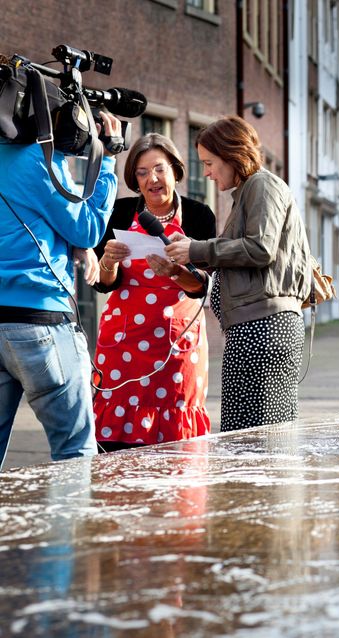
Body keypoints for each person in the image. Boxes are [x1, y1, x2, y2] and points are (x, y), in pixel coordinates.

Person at [164, 116, 313, 431]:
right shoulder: (250, 190)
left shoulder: (262, 184)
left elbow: (260, 248)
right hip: (256, 326)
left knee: (254, 438)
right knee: (253, 435)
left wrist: (197, 250)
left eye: (210, 163)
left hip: (263, 328)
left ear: (232, 154)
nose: (206, 172)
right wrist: (195, 250)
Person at [0, 112, 121, 467]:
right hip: (40, 319)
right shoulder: (37, 159)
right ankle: (66, 525)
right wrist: (108, 158)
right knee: (75, 452)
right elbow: (86, 229)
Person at [90, 134, 216, 451]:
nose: (152, 180)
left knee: (176, 449)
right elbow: (104, 283)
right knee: (115, 445)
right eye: (142, 173)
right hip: (123, 344)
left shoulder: (200, 215)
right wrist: (107, 260)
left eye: (159, 169)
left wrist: (175, 271)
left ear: (175, 170)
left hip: (178, 346)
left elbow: (202, 286)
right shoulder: (118, 213)